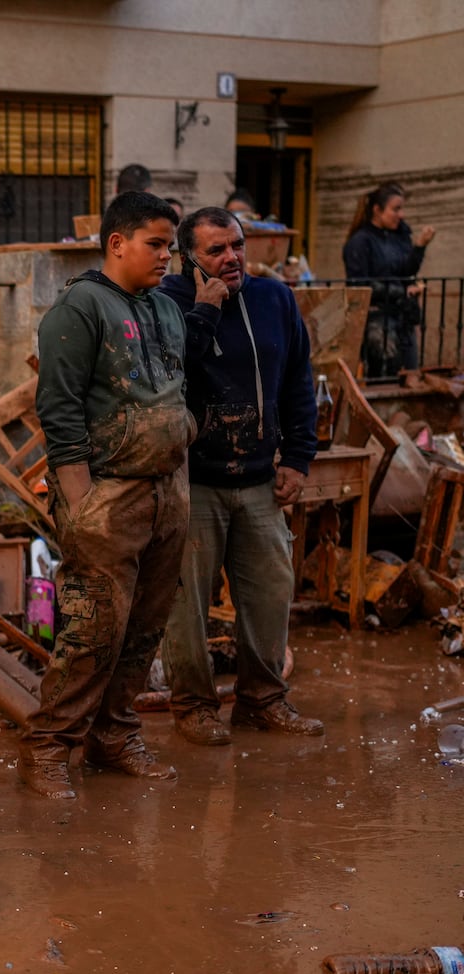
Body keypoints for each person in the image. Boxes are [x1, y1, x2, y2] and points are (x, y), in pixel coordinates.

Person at [21, 191, 195, 799]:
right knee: (92, 630)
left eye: (170, 246)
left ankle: (113, 735)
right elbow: (58, 410)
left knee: (145, 628)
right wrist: (84, 500)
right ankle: (49, 749)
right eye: (156, 244)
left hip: (169, 491)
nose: (167, 257)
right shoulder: (79, 308)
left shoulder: (165, 308)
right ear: (117, 242)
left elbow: (174, 390)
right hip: (108, 497)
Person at [160, 207, 323, 744]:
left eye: (237, 245)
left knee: (271, 593)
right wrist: (205, 310)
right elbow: (167, 376)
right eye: (216, 250)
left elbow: (299, 378)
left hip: (259, 477)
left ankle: (262, 700)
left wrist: (298, 459)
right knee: (187, 605)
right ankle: (193, 706)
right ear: (189, 258)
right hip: (195, 481)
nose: (231, 258)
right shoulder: (169, 303)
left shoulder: (275, 298)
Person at [342, 182, 435, 377]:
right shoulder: (360, 241)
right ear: (377, 210)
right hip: (376, 320)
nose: (401, 215)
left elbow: (406, 271)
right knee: (383, 376)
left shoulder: (399, 236)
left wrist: (419, 246)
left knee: (411, 374)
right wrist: (402, 290)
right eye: (396, 209)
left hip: (403, 316)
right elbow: (359, 284)